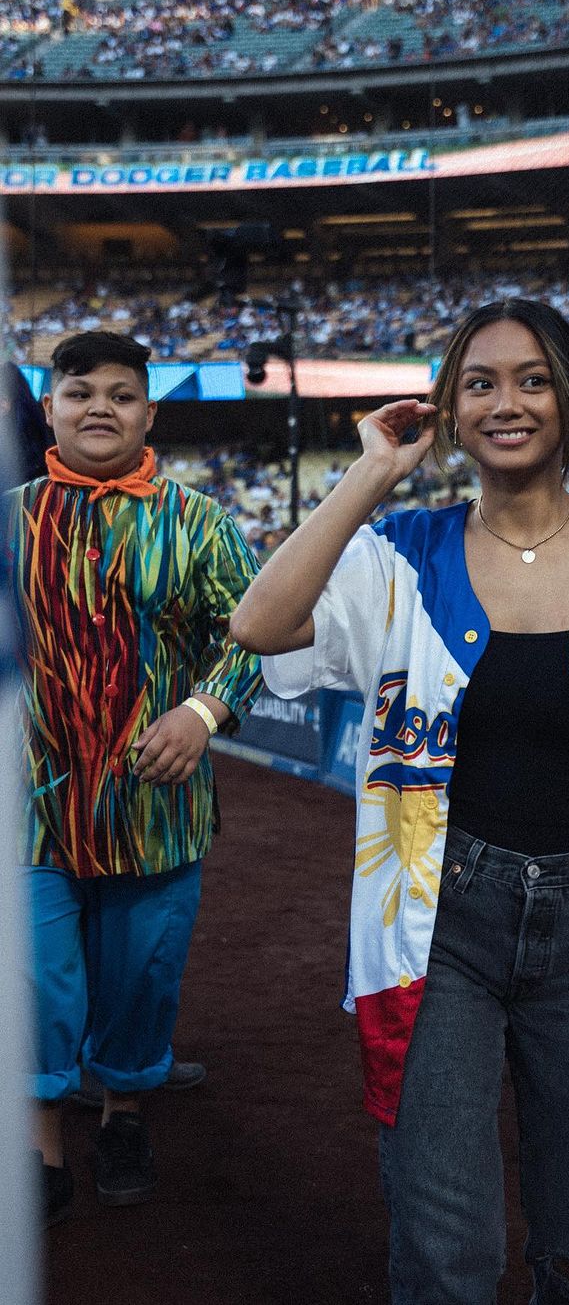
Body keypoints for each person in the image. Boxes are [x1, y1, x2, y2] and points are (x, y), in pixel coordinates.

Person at [229, 298, 569, 1304]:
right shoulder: (401, 554)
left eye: (530, 380)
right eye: (479, 383)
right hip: (439, 926)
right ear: (446, 409)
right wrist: (372, 473)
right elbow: (259, 623)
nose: (505, 403)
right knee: (443, 1249)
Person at [5, 332, 262, 1226]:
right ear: (50, 409)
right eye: (81, 392)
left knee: (139, 976)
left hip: (156, 808)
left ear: (149, 413)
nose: (100, 407)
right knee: (36, 977)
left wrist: (203, 713)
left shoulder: (199, 522)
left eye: (122, 393)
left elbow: (252, 632)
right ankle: (40, 1144)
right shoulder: (9, 519)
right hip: (29, 811)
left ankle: (120, 1114)